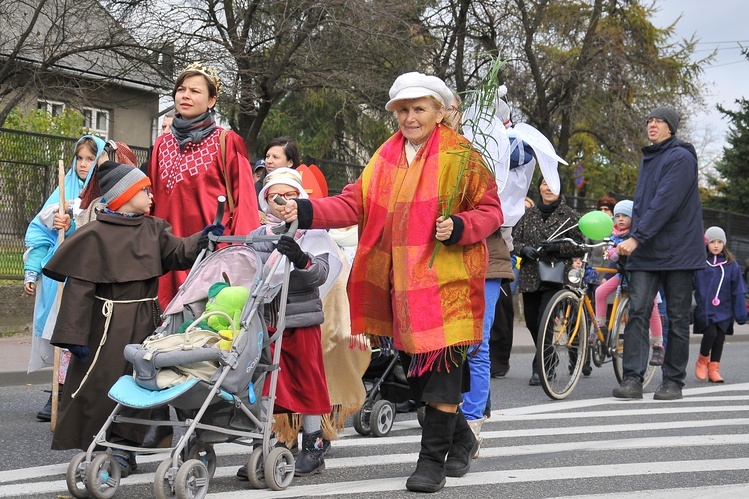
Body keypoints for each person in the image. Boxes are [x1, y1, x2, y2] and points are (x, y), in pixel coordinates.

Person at [277, 71, 502, 493]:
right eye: (403, 109)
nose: (410, 117)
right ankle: (464, 440)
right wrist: (304, 212)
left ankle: (431, 462)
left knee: (440, 372)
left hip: (447, 283)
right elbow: (354, 203)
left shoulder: (462, 156)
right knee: (416, 376)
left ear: (439, 112)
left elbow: (490, 211)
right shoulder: (385, 155)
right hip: (401, 285)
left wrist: (458, 225)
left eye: (419, 109)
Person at [42, 161, 219, 475]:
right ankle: (100, 444)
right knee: (102, 385)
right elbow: (79, 289)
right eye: (144, 190)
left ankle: (126, 448)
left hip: (146, 321)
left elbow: (177, 252)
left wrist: (200, 240)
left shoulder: (154, 229)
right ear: (124, 195)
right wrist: (73, 335)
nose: (151, 196)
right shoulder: (94, 235)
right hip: (106, 326)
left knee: (144, 384)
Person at [238, 167, 340, 477]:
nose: (283, 202)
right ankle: (268, 443)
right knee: (267, 383)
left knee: (307, 381)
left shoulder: (313, 234)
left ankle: (313, 445)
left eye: (291, 196)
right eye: (275, 196)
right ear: (265, 201)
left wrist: (300, 258)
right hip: (267, 320)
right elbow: (247, 271)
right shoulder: (258, 235)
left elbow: (320, 274)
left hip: (301, 318)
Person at [148, 62, 260, 310]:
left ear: (212, 100)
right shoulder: (161, 144)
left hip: (209, 256)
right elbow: (151, 201)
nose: (185, 95)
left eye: (195, 91)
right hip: (165, 258)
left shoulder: (227, 142)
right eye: (181, 89)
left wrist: (240, 258)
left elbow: (246, 205)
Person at [613, 107, 705, 400]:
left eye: (659, 121)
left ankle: (673, 381)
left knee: (677, 317)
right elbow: (644, 205)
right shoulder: (650, 157)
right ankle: (632, 379)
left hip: (678, 250)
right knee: (638, 312)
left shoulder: (681, 157)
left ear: (671, 128)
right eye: (649, 120)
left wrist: (636, 237)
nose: (652, 124)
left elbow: (666, 202)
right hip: (648, 249)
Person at [24, 134, 107, 421]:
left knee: (80, 331)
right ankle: (58, 388)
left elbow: (99, 228)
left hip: (86, 273)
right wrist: (56, 221)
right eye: (80, 158)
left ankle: (75, 389)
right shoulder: (64, 187)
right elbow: (41, 230)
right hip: (60, 275)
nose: (84, 164)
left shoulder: (102, 189)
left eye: (89, 159)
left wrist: (74, 223)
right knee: (59, 329)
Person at [513, 178, 584, 386]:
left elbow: (580, 245)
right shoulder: (528, 215)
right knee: (532, 323)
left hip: (556, 276)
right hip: (530, 275)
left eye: (553, 184)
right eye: (544, 183)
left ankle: (542, 367)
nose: (548, 188)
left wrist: (558, 249)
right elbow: (515, 240)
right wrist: (523, 249)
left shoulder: (570, 215)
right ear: (539, 188)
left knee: (545, 321)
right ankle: (548, 356)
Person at [594, 200, 664, 365]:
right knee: (600, 292)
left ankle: (658, 345)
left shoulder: (638, 234)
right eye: (617, 216)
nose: (620, 219)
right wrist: (613, 252)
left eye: (624, 215)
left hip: (643, 277)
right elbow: (610, 250)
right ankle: (601, 325)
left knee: (652, 307)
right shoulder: (614, 234)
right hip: (623, 275)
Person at [692, 226, 747, 383]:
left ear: (724, 243)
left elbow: (738, 290)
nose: (716, 245)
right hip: (705, 309)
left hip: (724, 309)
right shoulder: (700, 263)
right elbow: (691, 284)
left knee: (719, 339)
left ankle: (714, 369)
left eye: (719, 242)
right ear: (706, 244)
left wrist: (741, 314)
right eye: (712, 242)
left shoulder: (732, 265)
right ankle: (702, 361)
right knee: (710, 334)